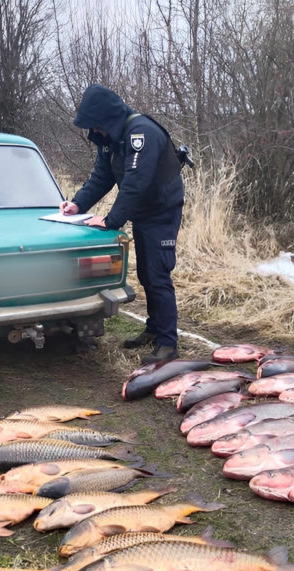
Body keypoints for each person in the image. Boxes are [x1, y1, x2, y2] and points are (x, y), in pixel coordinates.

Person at [60, 84, 185, 365]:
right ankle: (154, 330)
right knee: (146, 273)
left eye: (95, 125)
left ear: (105, 119)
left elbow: (135, 184)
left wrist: (111, 220)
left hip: (162, 212)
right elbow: (102, 176)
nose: (93, 131)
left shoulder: (141, 133)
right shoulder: (111, 138)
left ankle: (168, 344)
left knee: (158, 274)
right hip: (143, 211)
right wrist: (78, 204)